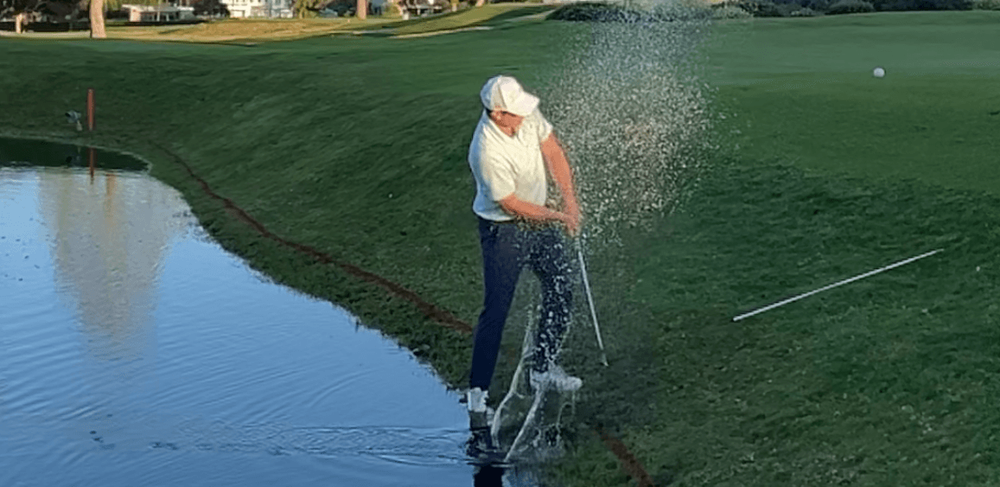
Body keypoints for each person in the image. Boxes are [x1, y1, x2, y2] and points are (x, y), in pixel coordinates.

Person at [465, 75, 584, 451]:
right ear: (497, 113)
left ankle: (542, 368)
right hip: (504, 231)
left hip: (542, 221)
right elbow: (512, 204)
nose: (522, 117)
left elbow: (554, 152)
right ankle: (477, 396)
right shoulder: (485, 150)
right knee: (496, 311)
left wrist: (570, 203)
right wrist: (559, 218)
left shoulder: (526, 116)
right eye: (514, 114)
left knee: (561, 287)